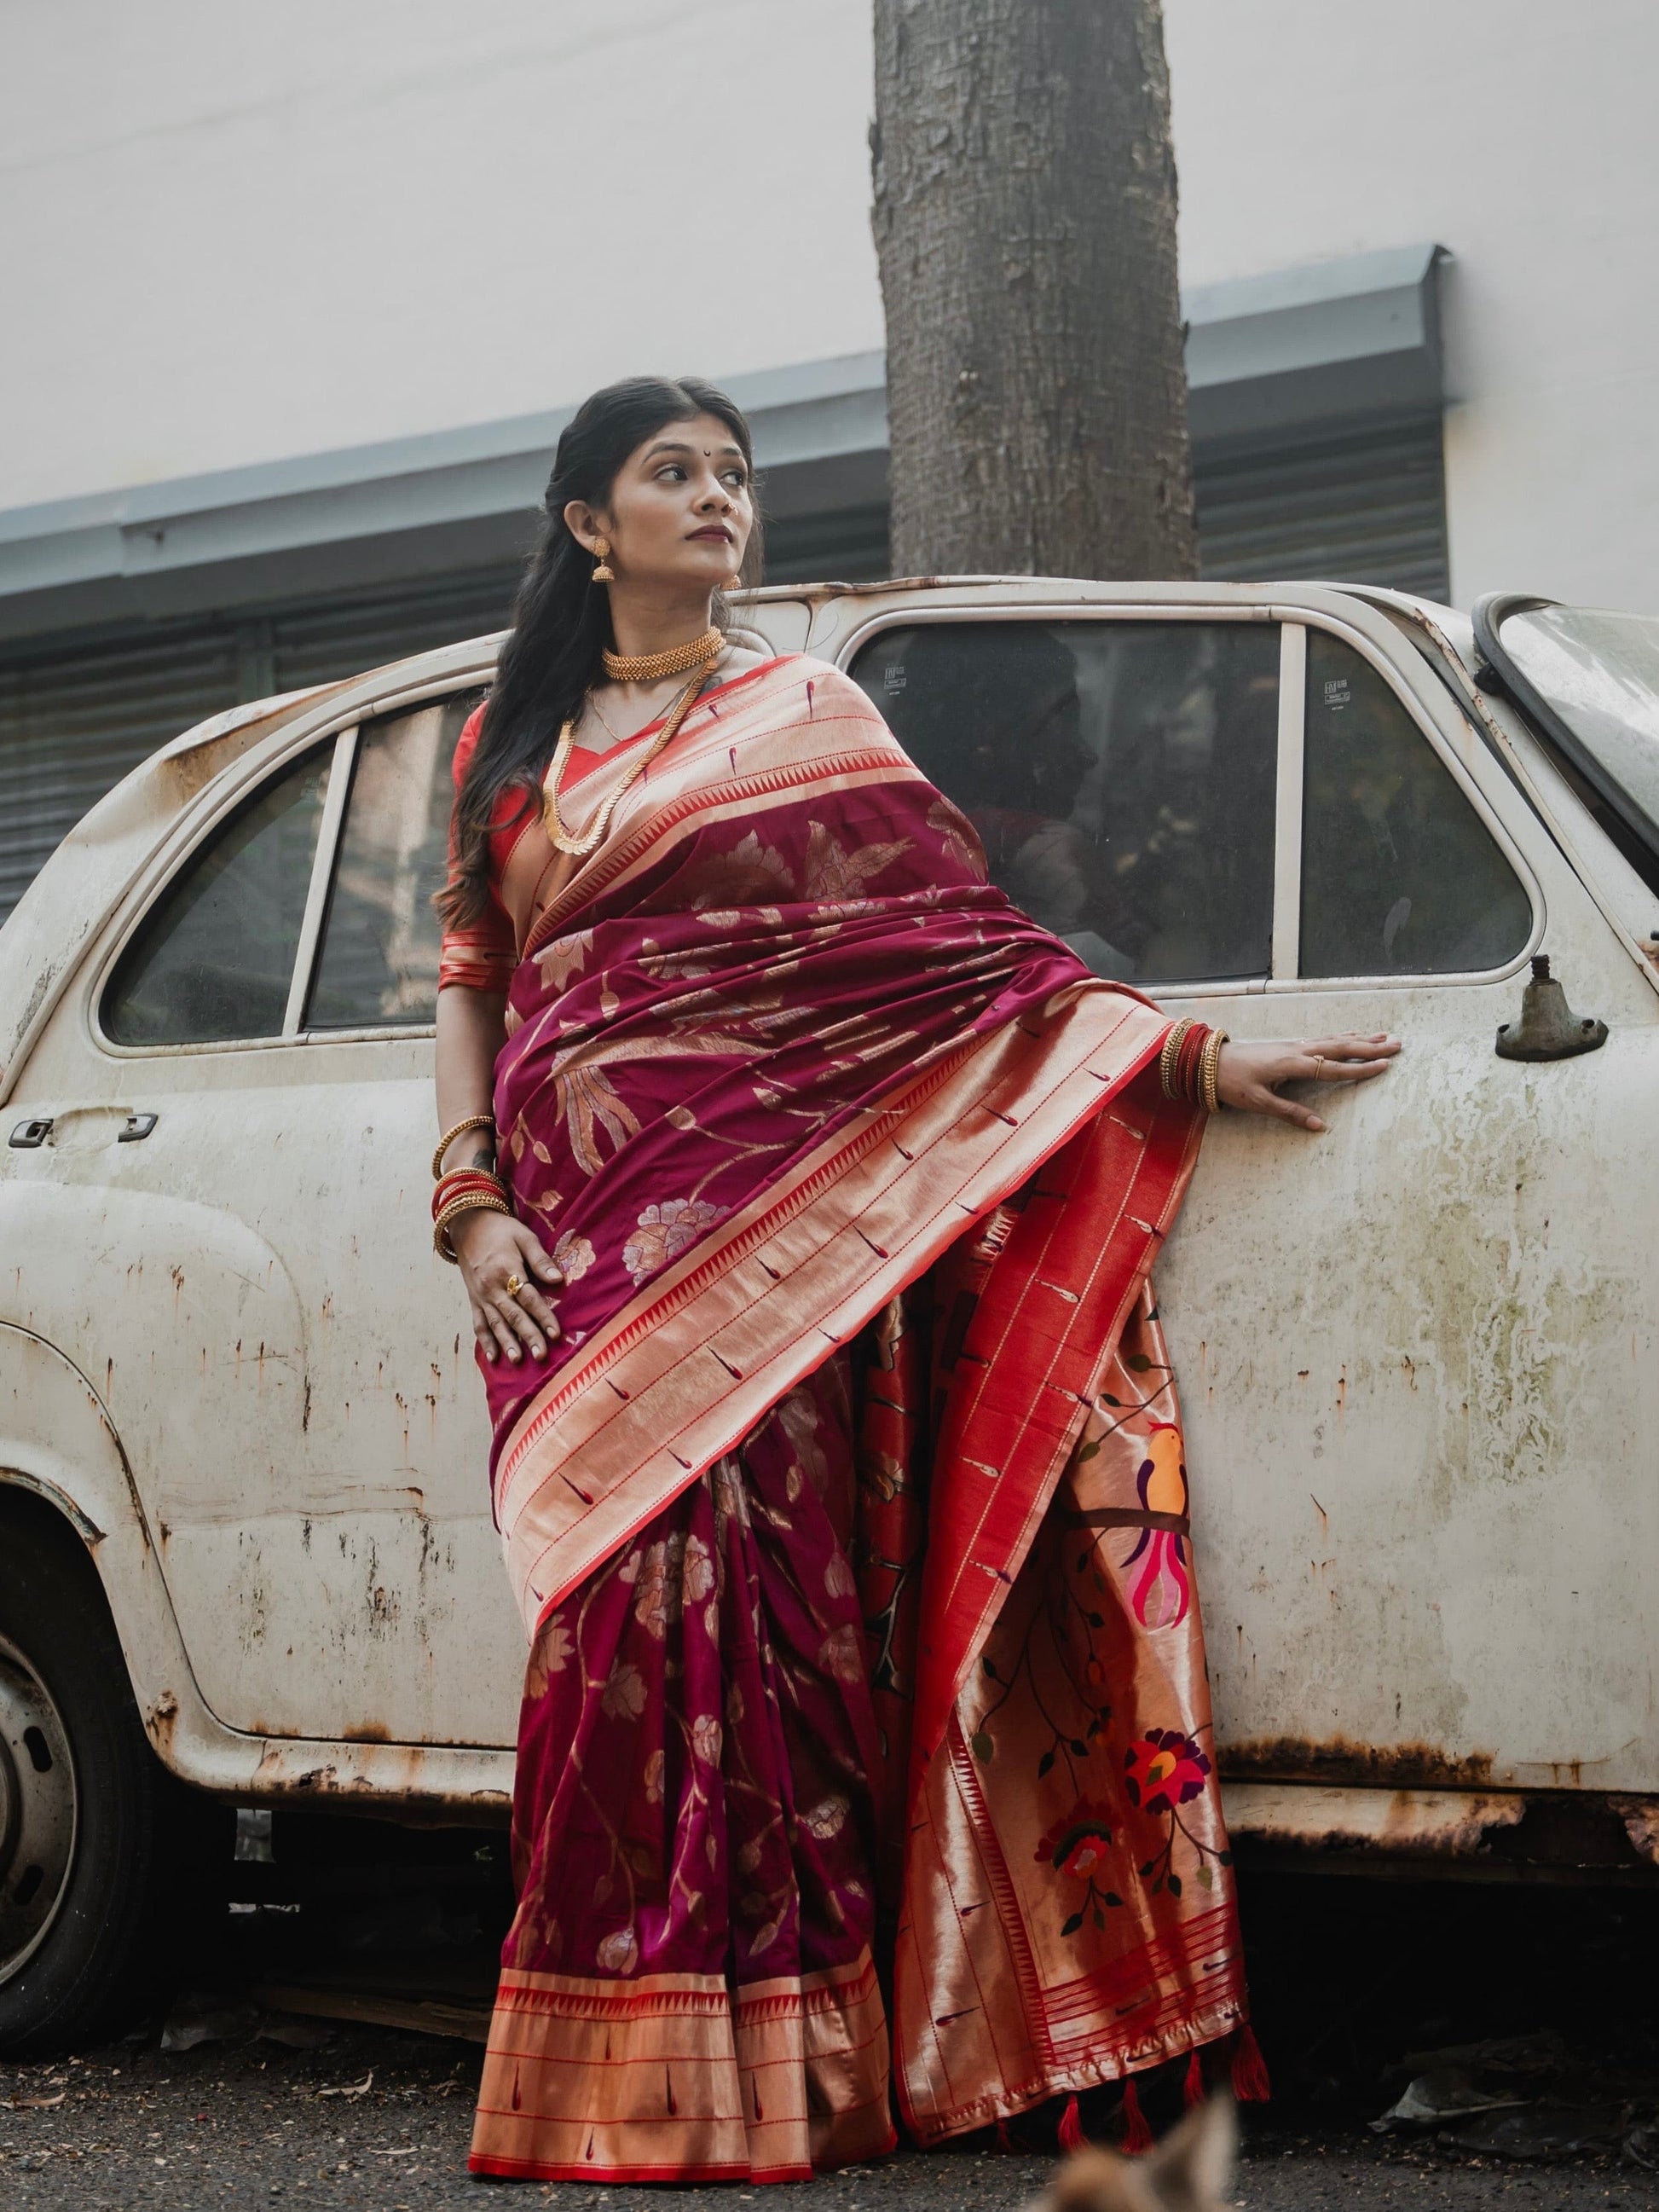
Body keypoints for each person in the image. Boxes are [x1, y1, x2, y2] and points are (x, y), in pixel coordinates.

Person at [432, 376, 1398, 2184]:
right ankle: (603, 2070)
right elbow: (472, 985)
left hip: (772, 1239)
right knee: (609, 1643)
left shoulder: (806, 713)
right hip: (571, 1247)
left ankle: (792, 2079)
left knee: (779, 1640)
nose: (716, 496)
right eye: (672, 472)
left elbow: (964, 958)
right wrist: (469, 1200)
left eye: (733, 471)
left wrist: (1181, 1062)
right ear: (588, 523)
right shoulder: (513, 739)